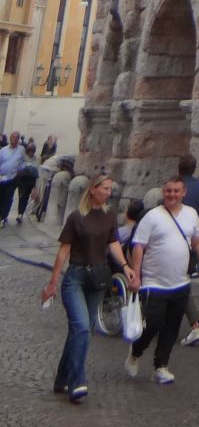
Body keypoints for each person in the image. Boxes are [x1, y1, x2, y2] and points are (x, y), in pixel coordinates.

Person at [41, 172, 138, 402]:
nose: (108, 193)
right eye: (104, 188)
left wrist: (125, 266)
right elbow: (64, 250)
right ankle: (77, 382)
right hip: (75, 276)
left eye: (110, 189)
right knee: (82, 327)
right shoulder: (76, 217)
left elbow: (113, 242)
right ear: (92, 189)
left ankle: (62, 378)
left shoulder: (110, 215)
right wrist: (53, 282)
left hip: (98, 279)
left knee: (80, 331)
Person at [126, 174, 199, 385]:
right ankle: (136, 352)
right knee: (153, 323)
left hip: (180, 282)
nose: (171, 194)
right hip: (154, 283)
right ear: (164, 192)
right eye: (168, 191)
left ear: (183, 193)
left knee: (171, 327)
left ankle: (161, 366)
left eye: (176, 191)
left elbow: (198, 241)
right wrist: (136, 275)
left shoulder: (191, 214)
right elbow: (139, 246)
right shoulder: (152, 216)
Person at [175, 154, 199, 348]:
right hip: (194, 240)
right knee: (181, 280)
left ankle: (195, 325)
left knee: (178, 283)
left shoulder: (174, 187)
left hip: (176, 240)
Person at [0, 130, 25, 225]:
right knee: (1, 197)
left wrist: (21, 169)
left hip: (13, 178)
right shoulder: (3, 150)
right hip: (2, 177)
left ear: (18, 139)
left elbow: (24, 161)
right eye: (12, 137)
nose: (14, 139)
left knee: (8, 197)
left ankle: (3, 217)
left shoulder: (21, 150)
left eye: (16, 137)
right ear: (10, 138)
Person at [15, 139, 41, 224]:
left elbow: (37, 172)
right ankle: (20, 214)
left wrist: (35, 186)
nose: (31, 153)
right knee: (21, 197)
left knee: (25, 198)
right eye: (30, 151)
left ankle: (21, 214)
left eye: (33, 151)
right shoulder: (24, 158)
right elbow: (20, 169)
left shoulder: (35, 159)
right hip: (23, 181)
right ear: (27, 151)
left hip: (30, 182)